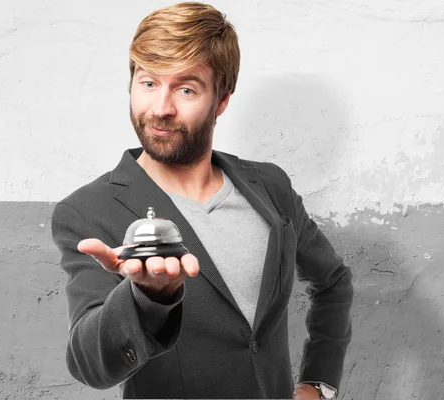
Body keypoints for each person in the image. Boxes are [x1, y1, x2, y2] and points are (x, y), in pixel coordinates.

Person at [50, 2, 353, 399]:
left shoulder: (270, 186)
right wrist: (146, 297)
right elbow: (90, 364)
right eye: (148, 83)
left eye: (186, 88)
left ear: (222, 100)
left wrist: (318, 384)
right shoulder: (87, 211)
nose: (161, 108)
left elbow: (333, 282)